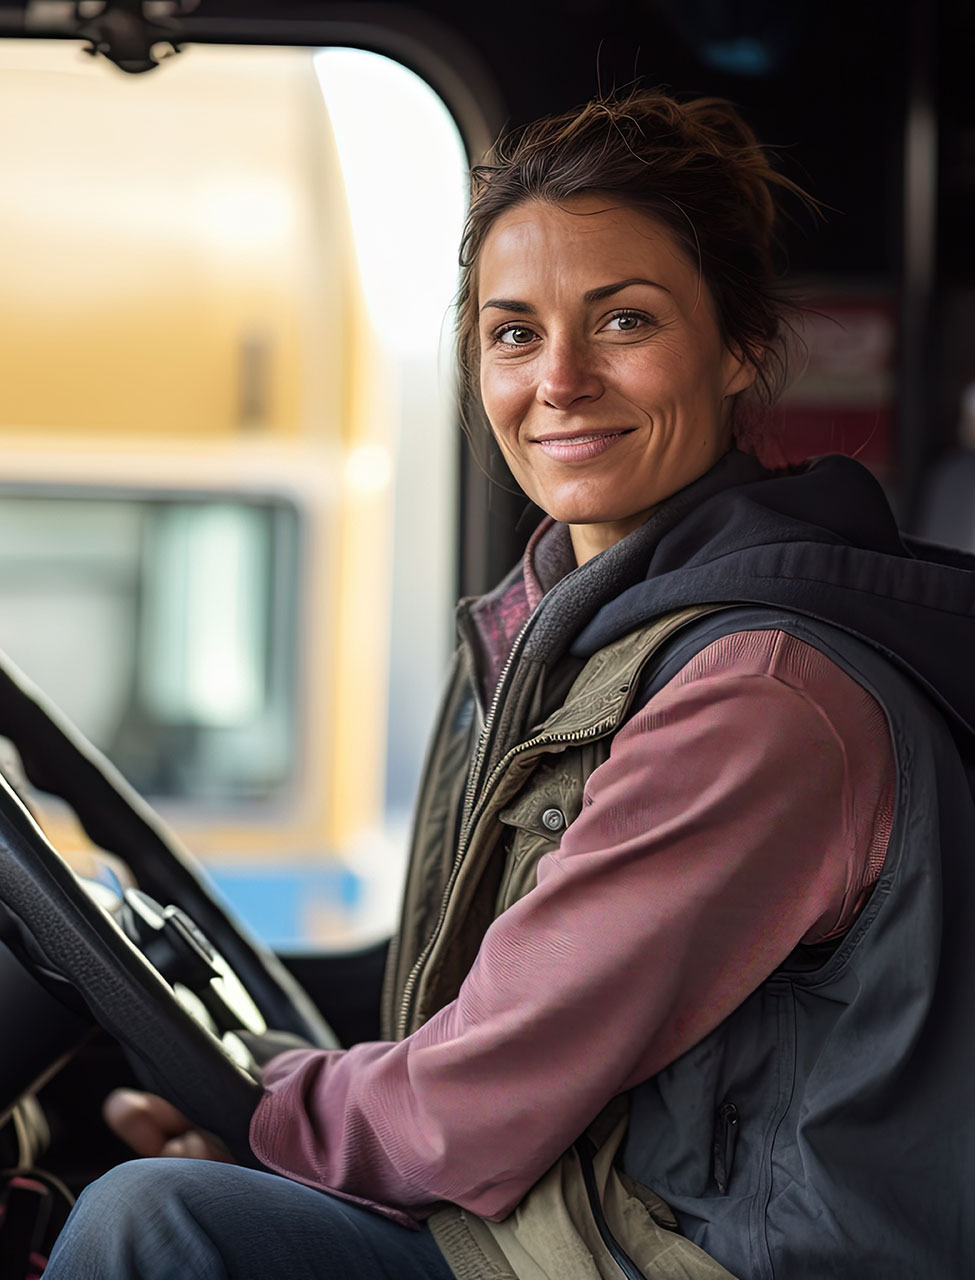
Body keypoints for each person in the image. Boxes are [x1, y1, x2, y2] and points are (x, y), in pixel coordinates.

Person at [44, 89, 975, 1280]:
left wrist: (256, 1108)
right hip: (587, 1217)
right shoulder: (552, 632)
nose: (561, 380)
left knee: (152, 1225)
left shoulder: (762, 697)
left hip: (696, 1256)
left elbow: (472, 1100)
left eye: (625, 321)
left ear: (741, 346)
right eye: (514, 332)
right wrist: (274, 1103)